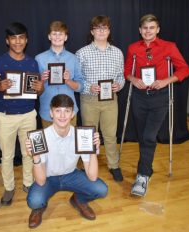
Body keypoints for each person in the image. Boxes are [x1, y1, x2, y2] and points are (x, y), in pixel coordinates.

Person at [124, 14, 189, 196]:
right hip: (139, 97)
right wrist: (133, 79)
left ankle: (143, 176)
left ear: (157, 29)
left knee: (149, 137)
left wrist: (166, 81)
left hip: (159, 98)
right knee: (143, 136)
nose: (148, 31)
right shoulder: (133, 48)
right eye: (145, 28)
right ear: (140, 30)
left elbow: (184, 69)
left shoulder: (169, 47)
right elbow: (126, 70)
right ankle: (146, 168)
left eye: (151, 28)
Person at [25, 94, 108, 229]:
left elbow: (92, 176)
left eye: (67, 111)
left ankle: (78, 200)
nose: (62, 115)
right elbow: (40, 181)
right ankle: (40, 206)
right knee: (34, 201)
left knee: (101, 189)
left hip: (71, 175)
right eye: (58, 110)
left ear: (72, 114)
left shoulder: (82, 136)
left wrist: (93, 150)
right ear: (51, 113)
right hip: (49, 178)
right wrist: (35, 156)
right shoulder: (41, 137)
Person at [0, 22, 44, 206]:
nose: (17, 41)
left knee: (28, 153)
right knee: (7, 155)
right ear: (7, 41)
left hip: (29, 114)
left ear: (26, 40)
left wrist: (40, 88)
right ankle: (9, 187)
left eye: (21, 37)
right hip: (5, 116)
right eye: (13, 38)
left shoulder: (32, 62)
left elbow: (37, 91)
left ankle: (29, 183)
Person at [76, 16, 125, 182]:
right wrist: (89, 86)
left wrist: (119, 85)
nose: (101, 31)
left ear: (109, 31)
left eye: (105, 28)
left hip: (111, 100)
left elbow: (121, 76)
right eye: (98, 28)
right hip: (89, 99)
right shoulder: (82, 53)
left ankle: (114, 165)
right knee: (89, 134)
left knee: (110, 135)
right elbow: (77, 78)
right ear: (92, 32)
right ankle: (88, 163)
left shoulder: (118, 52)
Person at [35, 21, 84, 128]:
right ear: (49, 36)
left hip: (69, 112)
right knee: (49, 144)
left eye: (61, 34)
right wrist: (42, 80)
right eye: (54, 34)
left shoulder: (73, 58)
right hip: (47, 112)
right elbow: (35, 91)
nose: (57, 37)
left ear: (66, 37)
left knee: (71, 144)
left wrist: (68, 81)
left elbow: (81, 87)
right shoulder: (39, 59)